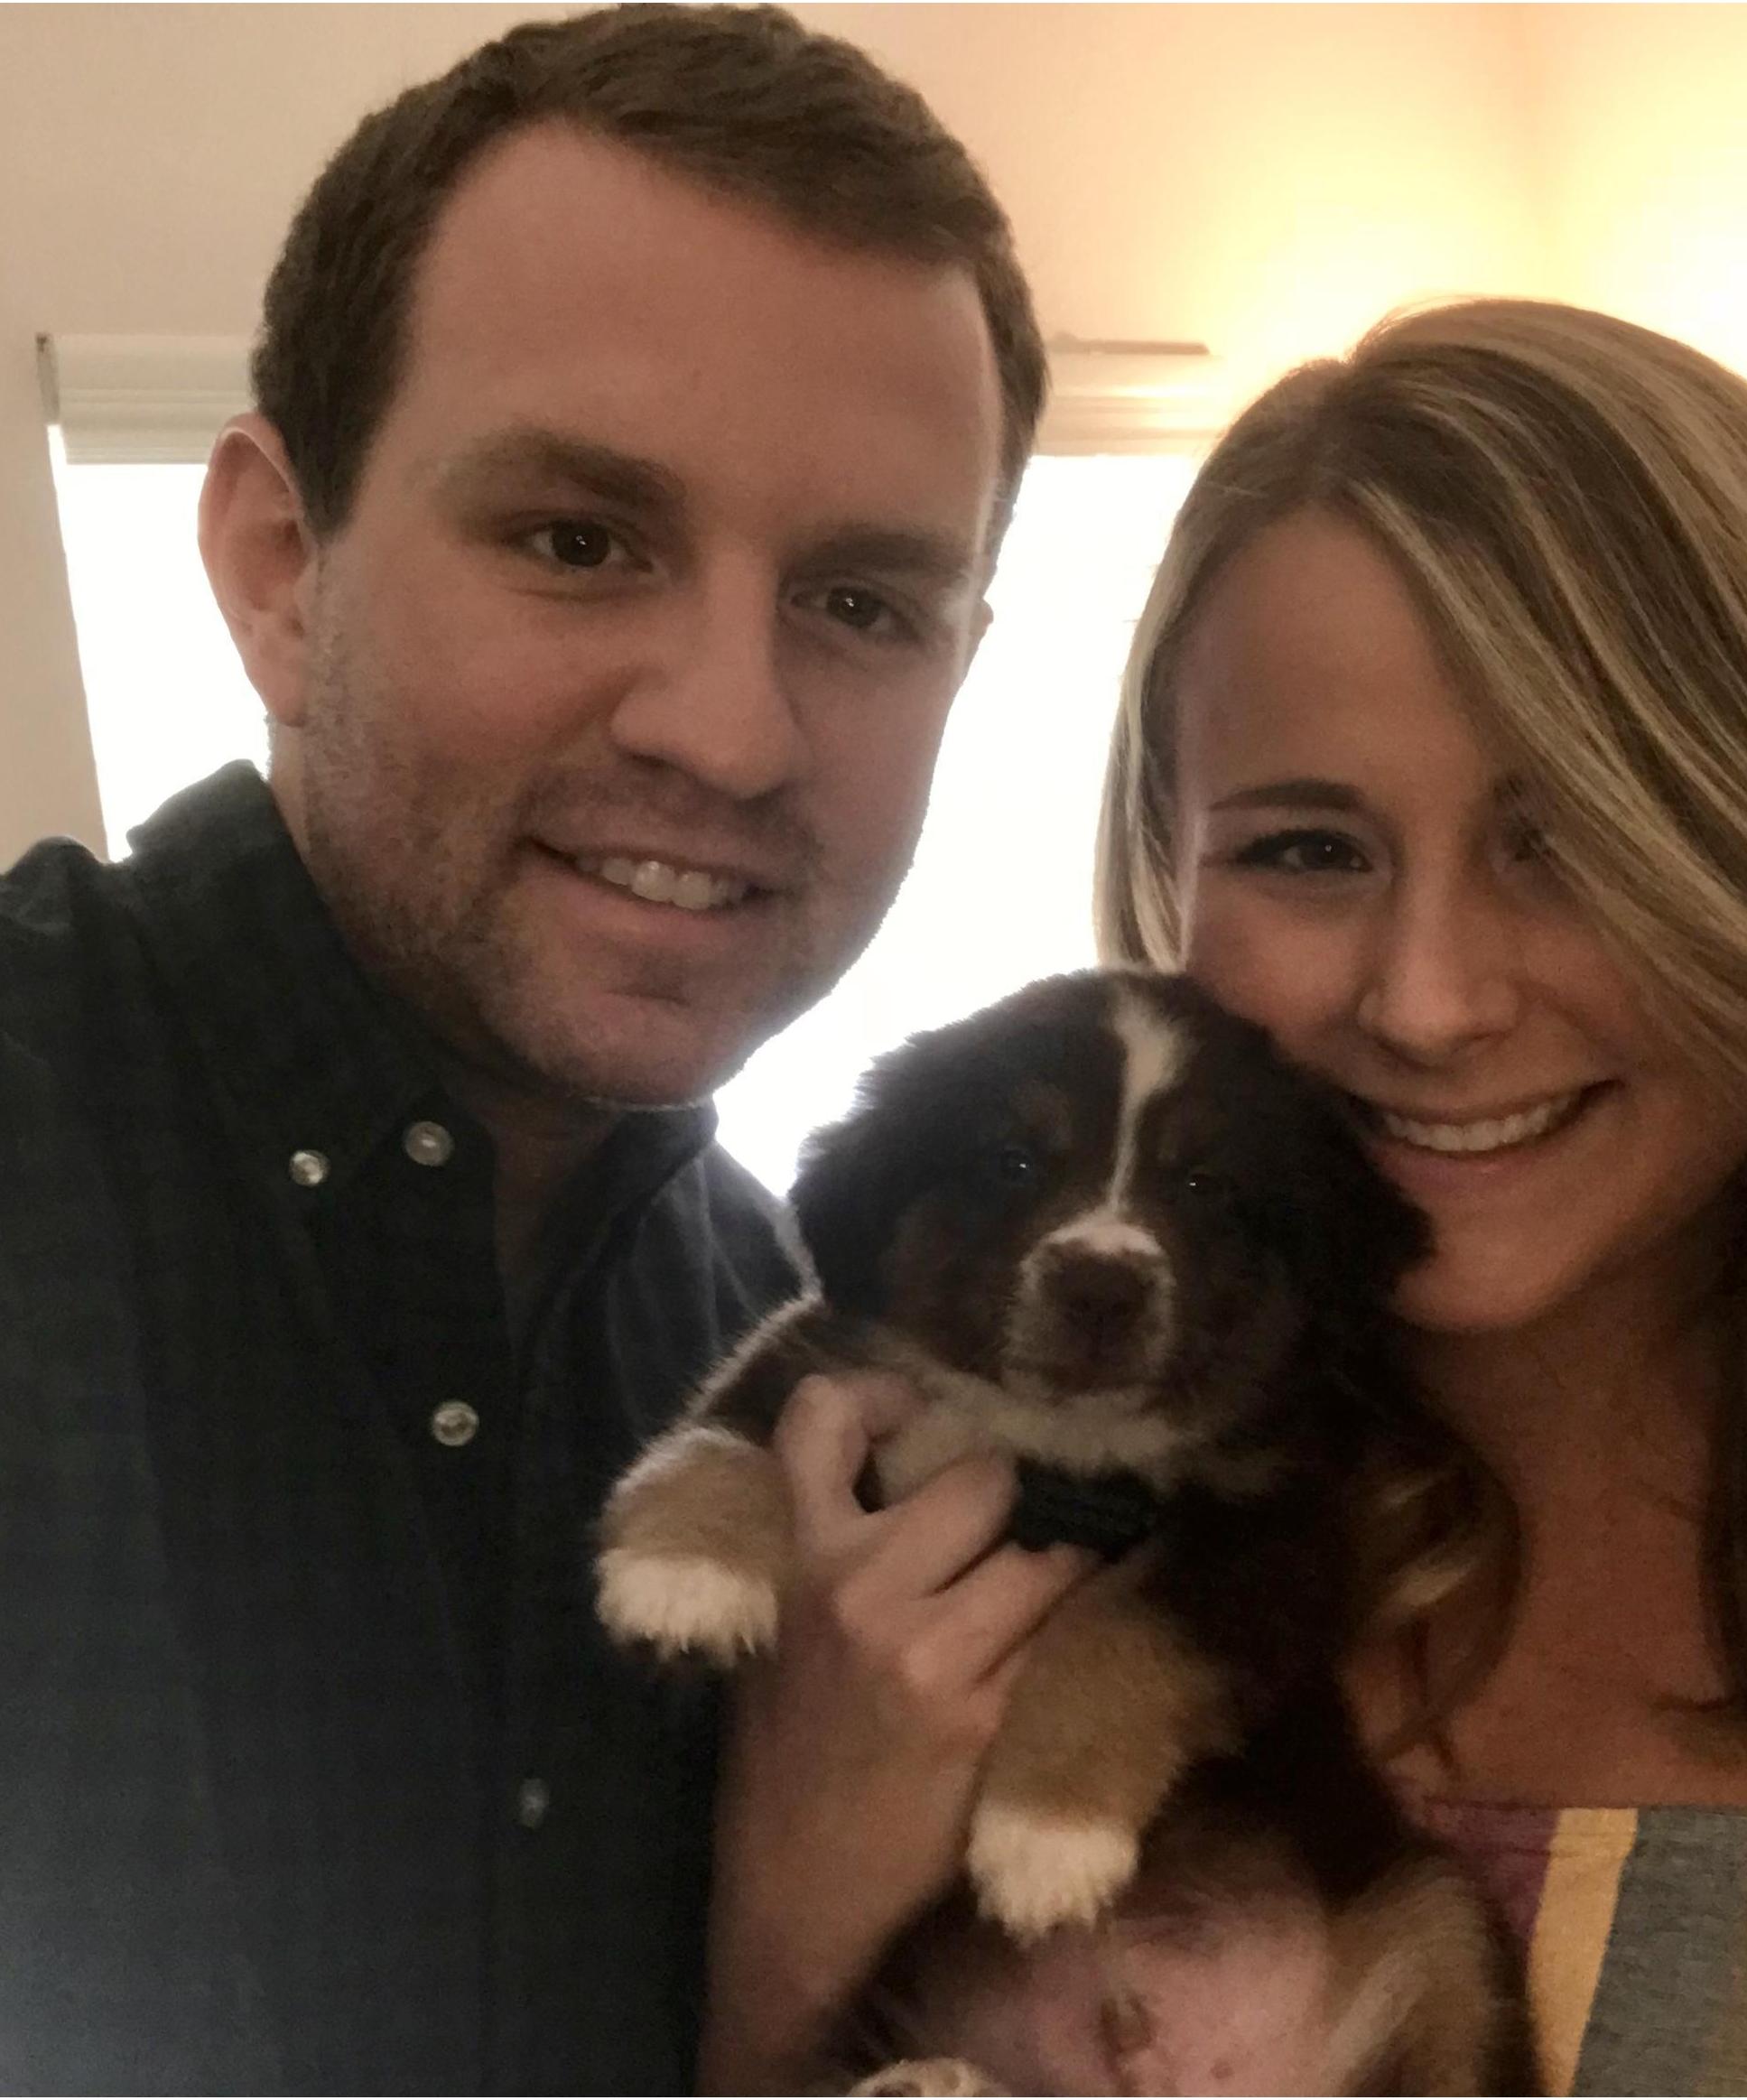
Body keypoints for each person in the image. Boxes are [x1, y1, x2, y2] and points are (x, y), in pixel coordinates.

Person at [720, 298, 1747, 2095]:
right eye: (1307, 849)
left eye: (1571, 843)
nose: (1428, 1001)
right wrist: (779, 1944)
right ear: (1165, 868)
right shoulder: (907, 1544)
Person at [0, 5, 1096, 2089]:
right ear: (278, 569)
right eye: (579, 541)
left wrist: (785, 1961)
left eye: (862, 603)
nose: (732, 731)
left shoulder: (797, 1353)